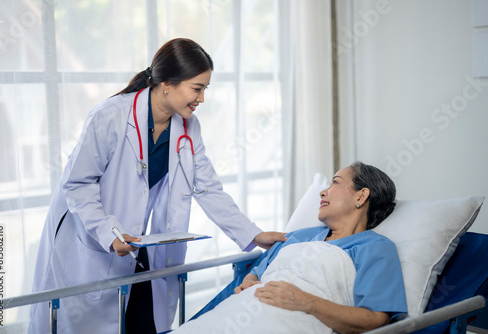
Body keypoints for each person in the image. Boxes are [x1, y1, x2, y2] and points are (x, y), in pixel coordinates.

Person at [28, 38, 286, 334]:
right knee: (81, 321)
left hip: (134, 242)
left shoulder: (189, 128)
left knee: (141, 318)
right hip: (88, 238)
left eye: (204, 90)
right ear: (167, 83)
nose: (201, 99)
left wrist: (253, 233)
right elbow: (78, 184)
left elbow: (207, 188)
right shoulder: (110, 117)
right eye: (197, 88)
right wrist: (108, 232)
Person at [174, 162, 408, 334]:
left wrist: (306, 301)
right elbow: (257, 273)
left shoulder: (375, 248)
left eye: (335, 183)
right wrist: (249, 281)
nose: (323, 191)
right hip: (237, 315)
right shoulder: (297, 237)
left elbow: (375, 320)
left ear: (362, 195)